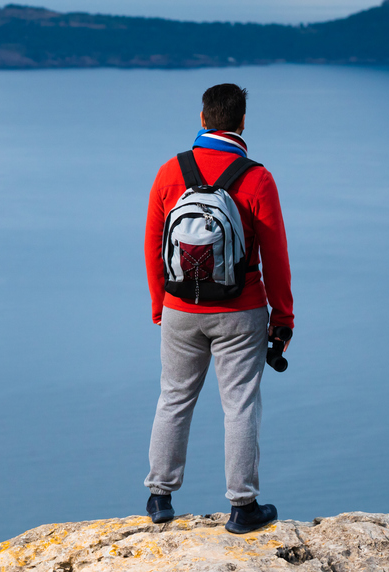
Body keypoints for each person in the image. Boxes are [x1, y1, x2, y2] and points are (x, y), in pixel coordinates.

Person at [143, 83, 295, 534]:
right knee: (240, 405)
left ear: (204, 117)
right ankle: (242, 507)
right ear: (242, 121)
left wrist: (161, 306)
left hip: (178, 308)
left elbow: (153, 246)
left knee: (174, 397)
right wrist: (282, 318)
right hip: (241, 310)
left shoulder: (171, 171)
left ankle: (159, 498)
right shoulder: (257, 178)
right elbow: (276, 255)